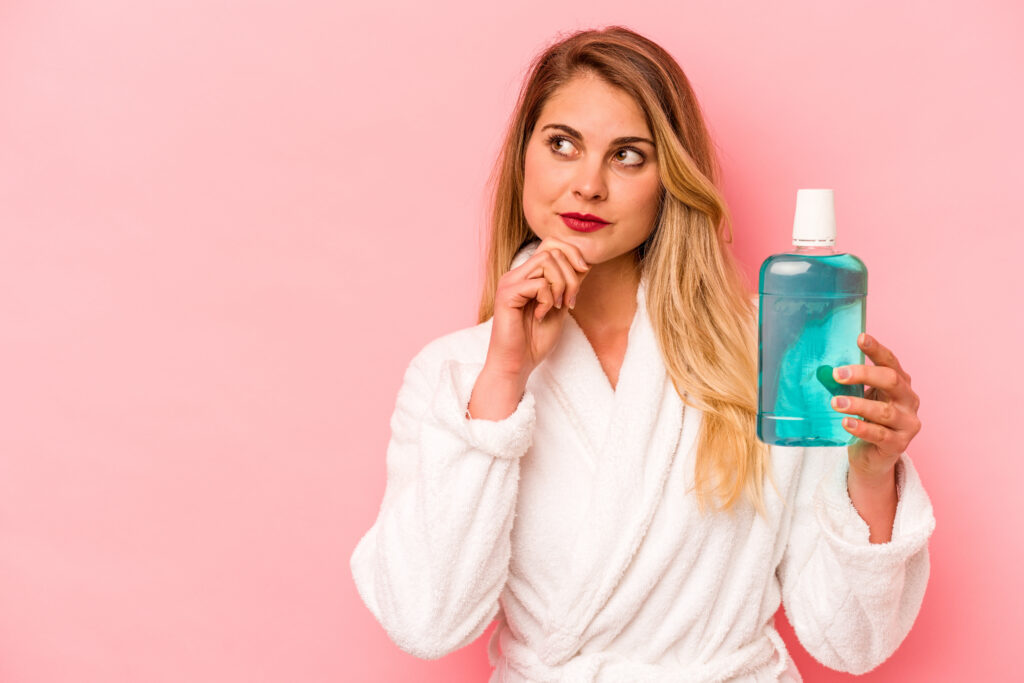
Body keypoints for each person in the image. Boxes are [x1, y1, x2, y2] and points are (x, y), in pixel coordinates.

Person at [349, 25, 935, 682]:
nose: (588, 185)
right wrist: (505, 377)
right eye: (562, 144)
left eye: (628, 156)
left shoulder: (767, 349)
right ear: (524, 157)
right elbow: (428, 619)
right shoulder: (452, 375)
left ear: (669, 181)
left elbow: (851, 637)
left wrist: (871, 471)